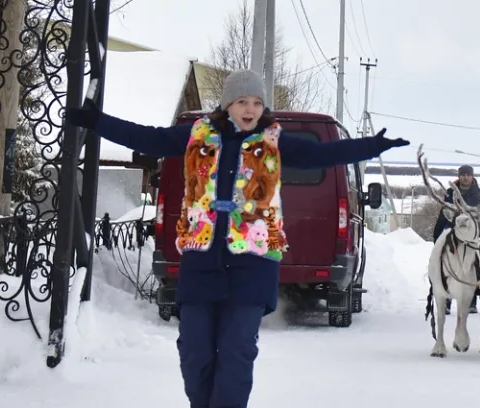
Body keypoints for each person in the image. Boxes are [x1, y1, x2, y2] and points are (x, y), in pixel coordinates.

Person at [65, 70, 408, 408]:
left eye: (257, 102)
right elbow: (149, 138)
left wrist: (372, 146)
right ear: (228, 104)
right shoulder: (196, 135)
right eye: (243, 100)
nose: (250, 108)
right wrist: (98, 122)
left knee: (236, 350)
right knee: (194, 351)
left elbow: (322, 155)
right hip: (201, 261)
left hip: (252, 263)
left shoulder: (273, 141)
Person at [432, 163, 480, 240]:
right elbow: (443, 215)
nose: (465, 177)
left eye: (468, 175)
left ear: (472, 176)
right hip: (454, 233)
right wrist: (437, 236)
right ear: (459, 176)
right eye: (463, 175)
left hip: (474, 234)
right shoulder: (450, 192)